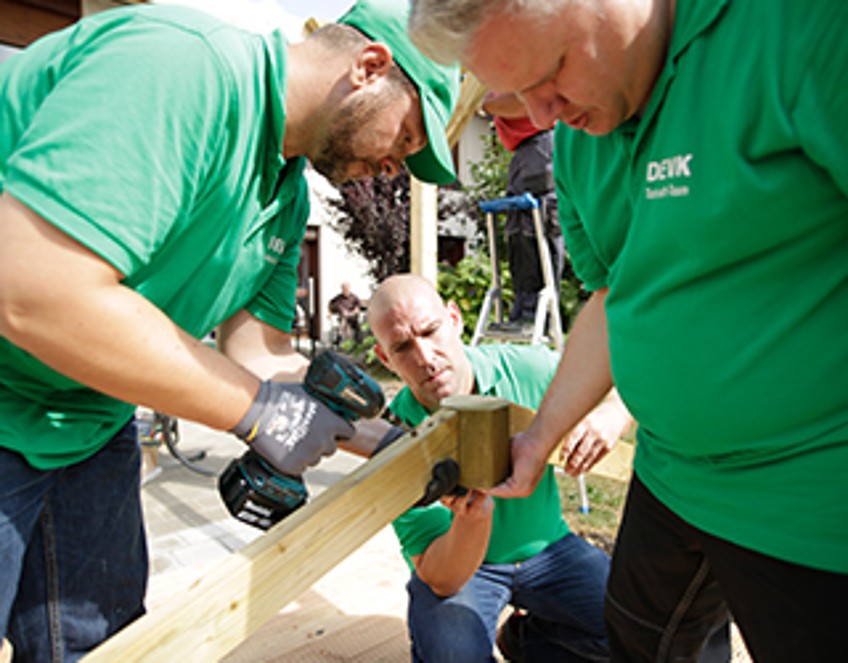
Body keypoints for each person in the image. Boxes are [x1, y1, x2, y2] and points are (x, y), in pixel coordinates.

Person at [0, 1, 460, 660]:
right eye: (407, 138)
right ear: (368, 67)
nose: (394, 168)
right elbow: (34, 289)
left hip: (89, 422)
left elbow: (259, 358)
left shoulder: (283, 198)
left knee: (103, 648)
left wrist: (404, 446)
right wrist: (253, 412)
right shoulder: (182, 69)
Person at [407, 0, 848, 661]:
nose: (543, 114)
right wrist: (540, 436)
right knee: (640, 636)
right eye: (519, 93)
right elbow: (616, 295)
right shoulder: (582, 146)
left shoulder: (800, 28)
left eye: (551, 72)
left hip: (805, 498)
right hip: (671, 477)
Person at [364, 273, 633, 662]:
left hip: (549, 550)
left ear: (454, 319)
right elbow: (442, 579)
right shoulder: (393, 439)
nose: (425, 357)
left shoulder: (527, 368)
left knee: (644, 631)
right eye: (403, 347)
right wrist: (471, 520)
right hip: (466, 571)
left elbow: (622, 372)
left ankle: (529, 639)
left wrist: (613, 413)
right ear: (385, 359)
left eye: (430, 331)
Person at [481, 92, 565, 325]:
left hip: (541, 144)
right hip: (528, 149)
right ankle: (527, 309)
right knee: (520, 229)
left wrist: (489, 105)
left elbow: (524, 99)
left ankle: (538, 313)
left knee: (536, 226)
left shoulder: (525, 72)